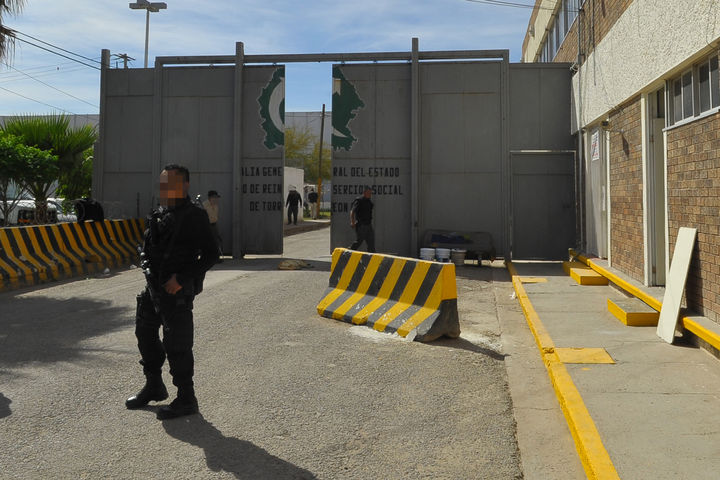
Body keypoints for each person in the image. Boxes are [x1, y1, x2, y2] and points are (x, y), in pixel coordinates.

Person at [126, 164, 219, 420]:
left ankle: (187, 398)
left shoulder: (194, 216)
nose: (164, 188)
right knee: (144, 333)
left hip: (177, 292)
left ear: (185, 185)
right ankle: (154, 385)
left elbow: (212, 254)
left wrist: (182, 278)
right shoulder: (159, 213)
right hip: (153, 288)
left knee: (178, 345)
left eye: (170, 184)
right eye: (162, 183)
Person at [349, 186, 375, 253]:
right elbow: (352, 211)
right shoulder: (359, 200)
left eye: (371, 193)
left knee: (371, 242)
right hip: (361, 225)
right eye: (369, 193)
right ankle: (349, 253)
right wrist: (352, 222)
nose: (370, 194)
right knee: (359, 241)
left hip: (368, 225)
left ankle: (371, 255)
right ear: (364, 193)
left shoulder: (369, 202)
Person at [202, 190, 223, 262]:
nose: (216, 199)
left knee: (216, 241)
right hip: (206, 226)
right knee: (208, 242)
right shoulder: (204, 205)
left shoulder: (216, 206)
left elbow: (215, 217)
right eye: (215, 197)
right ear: (210, 198)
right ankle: (207, 257)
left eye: (217, 198)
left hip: (214, 225)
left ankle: (216, 258)